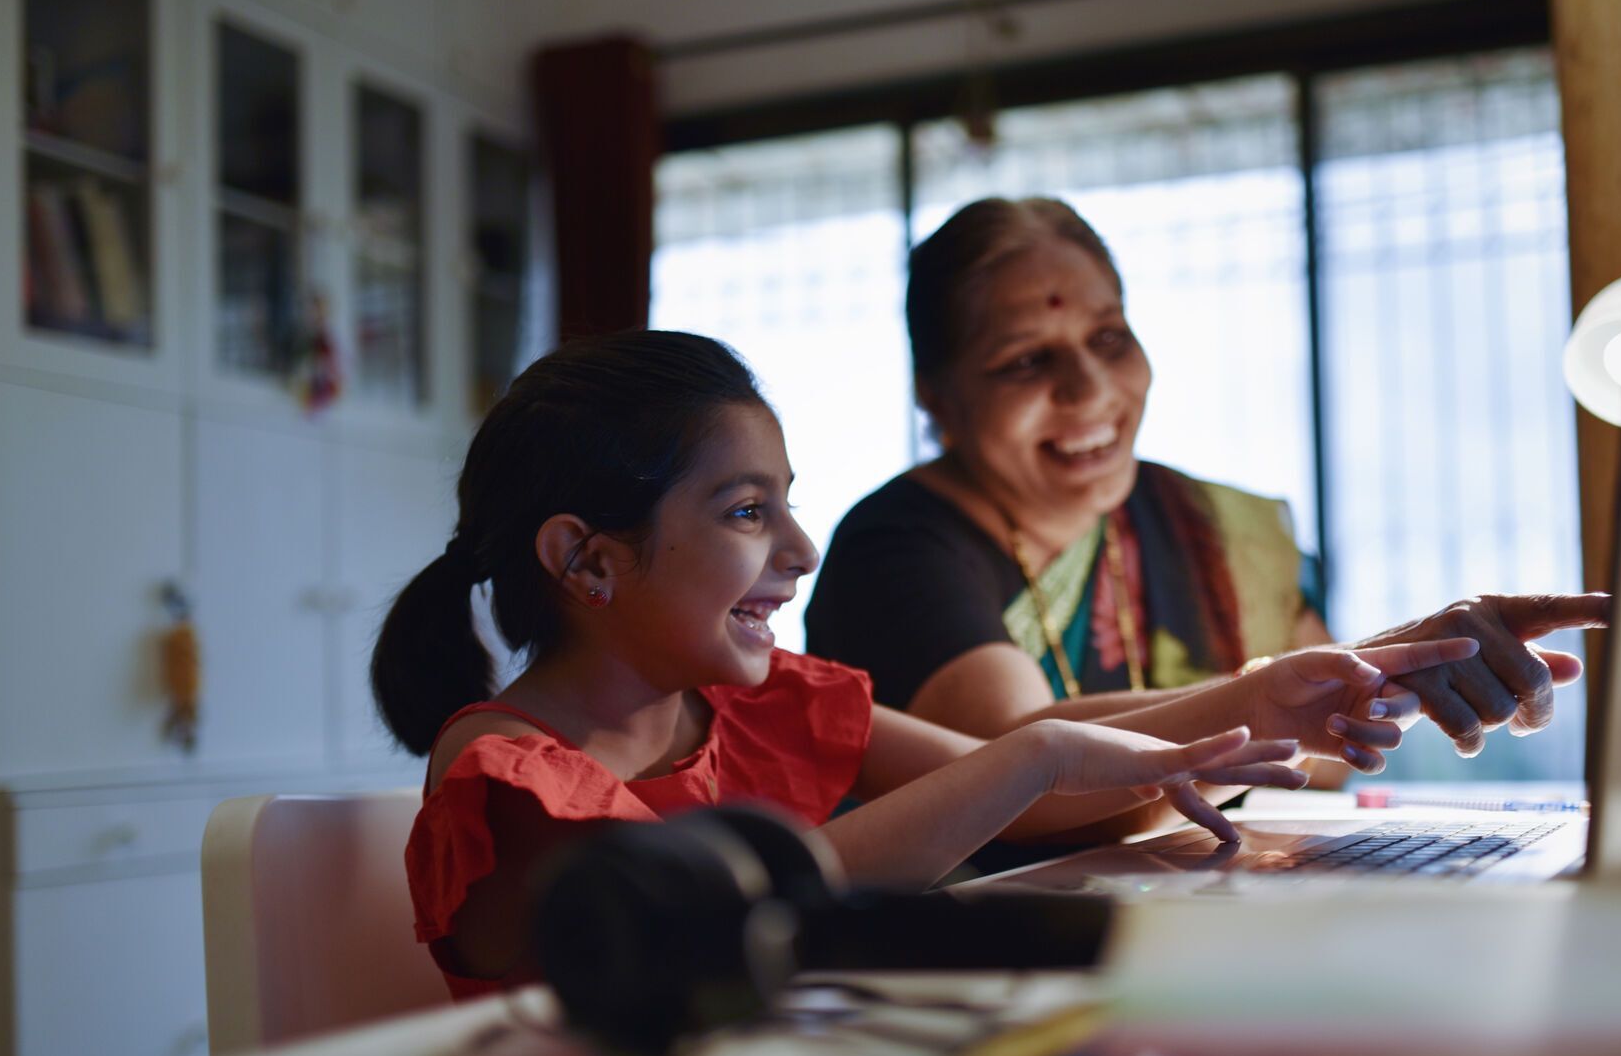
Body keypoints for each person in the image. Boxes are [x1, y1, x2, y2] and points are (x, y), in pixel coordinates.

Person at [370, 332, 1473, 1000]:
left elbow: (1037, 800)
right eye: (747, 510)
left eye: (787, 505)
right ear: (586, 561)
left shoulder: (750, 708)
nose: (800, 552)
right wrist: (1034, 756)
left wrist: (1258, 699)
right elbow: (718, 917)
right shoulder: (504, 777)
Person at [806, 197, 1605, 766]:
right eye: (1025, 361)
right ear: (937, 398)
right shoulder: (897, 546)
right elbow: (1019, 760)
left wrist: (1396, 675)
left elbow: (1323, 761)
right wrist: (1342, 672)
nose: (1090, 391)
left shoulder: (1199, 519)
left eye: (1109, 336)